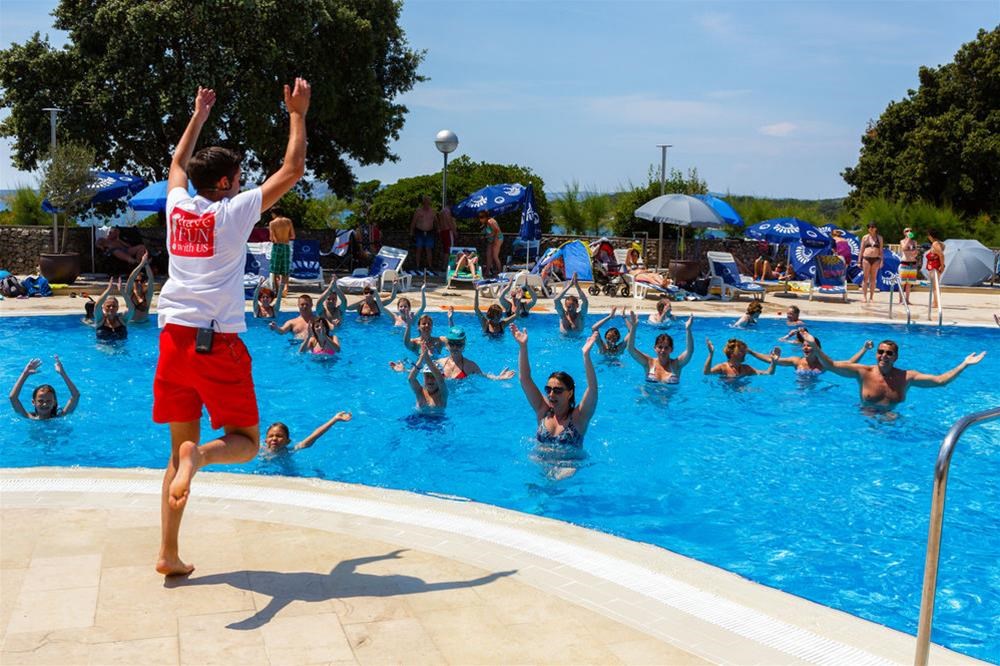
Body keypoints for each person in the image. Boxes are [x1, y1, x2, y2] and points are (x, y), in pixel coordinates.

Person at [153, 78, 310, 576]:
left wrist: (198, 116)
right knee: (242, 440)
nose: (244, 182)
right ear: (224, 184)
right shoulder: (233, 212)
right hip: (215, 343)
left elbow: (178, 165)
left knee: (173, 458)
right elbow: (292, 169)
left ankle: (168, 553)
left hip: (172, 340)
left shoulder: (178, 208)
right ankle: (199, 458)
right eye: (239, 176)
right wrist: (297, 113)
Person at [799, 332, 985, 408]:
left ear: (895, 357)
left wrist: (964, 364)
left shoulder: (906, 377)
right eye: (880, 352)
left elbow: (940, 381)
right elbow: (832, 366)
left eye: (889, 353)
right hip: (866, 422)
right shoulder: (863, 372)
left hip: (893, 422)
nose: (884, 356)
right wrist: (815, 347)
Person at [511, 323, 598, 480]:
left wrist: (586, 356)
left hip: (568, 469)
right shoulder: (542, 410)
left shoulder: (578, 418)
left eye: (558, 390)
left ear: (570, 393)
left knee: (557, 481)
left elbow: (592, 389)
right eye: (548, 389)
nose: (551, 394)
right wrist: (523, 347)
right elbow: (524, 379)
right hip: (541, 464)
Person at [749, 332, 872, 375]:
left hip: (816, 393)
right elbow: (769, 360)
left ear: (816, 347)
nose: (805, 348)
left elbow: (850, 363)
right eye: (804, 346)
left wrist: (864, 349)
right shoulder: (796, 361)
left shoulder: (824, 364)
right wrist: (750, 351)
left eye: (809, 345)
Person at [624, 310, 694, 383]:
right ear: (655, 348)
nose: (663, 350)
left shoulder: (676, 364)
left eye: (666, 347)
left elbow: (690, 351)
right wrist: (634, 327)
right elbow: (630, 349)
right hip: (649, 394)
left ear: (671, 349)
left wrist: (688, 330)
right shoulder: (649, 362)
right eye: (660, 347)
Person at [9, 356, 80, 420]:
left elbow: (76, 395)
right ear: (33, 402)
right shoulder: (29, 417)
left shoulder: (60, 417)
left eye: (48, 401)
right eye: (40, 401)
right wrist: (24, 374)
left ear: (54, 402)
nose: (44, 404)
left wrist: (63, 373)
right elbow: (13, 398)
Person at [439, 326, 514, 380]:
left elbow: (484, 376)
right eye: (452, 344)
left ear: (464, 346)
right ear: (447, 344)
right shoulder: (439, 363)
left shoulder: (470, 366)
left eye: (459, 344)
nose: (455, 347)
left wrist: (499, 377)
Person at [263, 411, 352, 453]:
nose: (274, 438)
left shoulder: (290, 450)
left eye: (279, 436)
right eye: (271, 436)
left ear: (288, 441)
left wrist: (334, 419)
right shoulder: (259, 450)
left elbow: (315, 435)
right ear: (265, 440)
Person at [704, 338, 779, 377]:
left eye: (745, 351)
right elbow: (706, 373)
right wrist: (711, 354)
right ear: (732, 353)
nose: (745, 354)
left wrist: (773, 362)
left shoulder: (746, 368)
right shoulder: (722, 368)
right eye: (741, 351)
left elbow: (768, 373)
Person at [408, 344, 448, 411]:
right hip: (418, 419)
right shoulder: (420, 391)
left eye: (433, 376)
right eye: (427, 376)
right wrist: (421, 359)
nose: (430, 379)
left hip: (438, 421)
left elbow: (440, 379)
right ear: (423, 376)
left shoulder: (442, 393)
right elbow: (411, 379)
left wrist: (427, 358)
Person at [124, 252, 155, 324]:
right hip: (131, 326)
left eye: (141, 281)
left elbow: (151, 279)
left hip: (144, 326)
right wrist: (141, 264)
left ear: (145, 282)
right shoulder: (129, 293)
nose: (139, 283)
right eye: (136, 281)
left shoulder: (147, 296)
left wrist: (146, 264)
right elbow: (131, 278)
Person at [268, 215, 295, 297]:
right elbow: (293, 236)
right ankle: (285, 289)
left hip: (277, 247)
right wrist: (285, 237)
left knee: (275, 270)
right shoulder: (288, 221)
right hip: (286, 246)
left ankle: (277, 291)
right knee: (285, 269)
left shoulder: (272, 223)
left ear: (273, 214)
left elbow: (271, 238)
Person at [410, 195, 437, 275]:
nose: (427, 203)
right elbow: (413, 222)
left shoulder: (432, 211)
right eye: (425, 201)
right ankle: (417, 265)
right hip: (420, 232)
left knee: (429, 249)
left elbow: (436, 221)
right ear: (423, 202)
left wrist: (438, 229)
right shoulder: (418, 211)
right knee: (419, 248)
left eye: (428, 201)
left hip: (429, 232)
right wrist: (411, 232)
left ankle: (430, 266)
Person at [859, 222, 884, 304]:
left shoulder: (879, 238)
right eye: (869, 227)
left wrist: (882, 261)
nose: (871, 228)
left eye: (873, 227)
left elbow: (881, 251)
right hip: (866, 258)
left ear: (876, 228)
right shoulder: (865, 238)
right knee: (865, 278)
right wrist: (859, 261)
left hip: (876, 259)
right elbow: (861, 250)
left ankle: (871, 297)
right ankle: (864, 296)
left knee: (873, 279)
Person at [478, 209, 503, 278]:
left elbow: (497, 231)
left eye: (482, 217)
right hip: (491, 240)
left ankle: (500, 272)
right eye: (479, 217)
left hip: (497, 239)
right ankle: (487, 272)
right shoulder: (485, 223)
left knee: (495, 256)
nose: (480, 219)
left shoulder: (490, 221)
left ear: (486, 217)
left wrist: (489, 237)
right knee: (488, 255)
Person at [898, 227, 920, 305]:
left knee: (909, 284)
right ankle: (901, 300)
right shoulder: (902, 241)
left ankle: (907, 300)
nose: (909, 232)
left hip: (912, 264)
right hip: (904, 263)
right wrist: (908, 239)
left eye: (910, 230)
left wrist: (914, 252)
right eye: (907, 231)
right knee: (902, 283)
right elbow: (904, 248)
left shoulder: (914, 242)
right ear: (904, 233)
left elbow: (916, 252)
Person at [925, 230, 946, 309]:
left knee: (935, 286)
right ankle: (935, 302)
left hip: (935, 267)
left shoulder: (935, 244)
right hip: (934, 267)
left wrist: (942, 266)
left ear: (930, 236)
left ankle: (936, 303)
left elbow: (941, 255)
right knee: (935, 286)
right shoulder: (938, 243)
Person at [437, 204, 457, 270]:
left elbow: (439, 223)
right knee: (449, 249)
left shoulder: (441, 212)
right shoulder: (447, 212)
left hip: (443, 231)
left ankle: (444, 266)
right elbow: (449, 223)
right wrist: (454, 232)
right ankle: (446, 266)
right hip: (448, 231)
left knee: (445, 249)